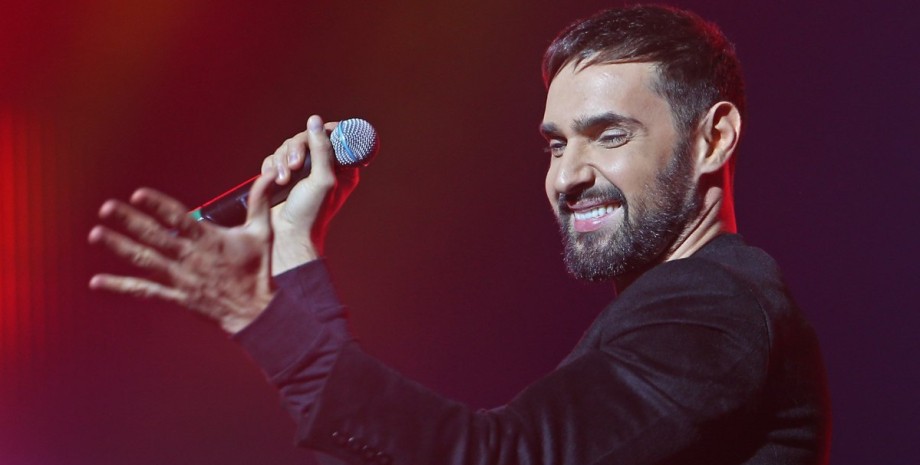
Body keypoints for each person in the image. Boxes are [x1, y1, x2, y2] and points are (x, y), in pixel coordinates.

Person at [88, 5, 830, 465]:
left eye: (609, 135)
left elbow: (491, 460)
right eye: (555, 144)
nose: (567, 176)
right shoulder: (679, 312)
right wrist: (293, 247)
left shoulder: (715, 309)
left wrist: (262, 316)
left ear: (713, 138)